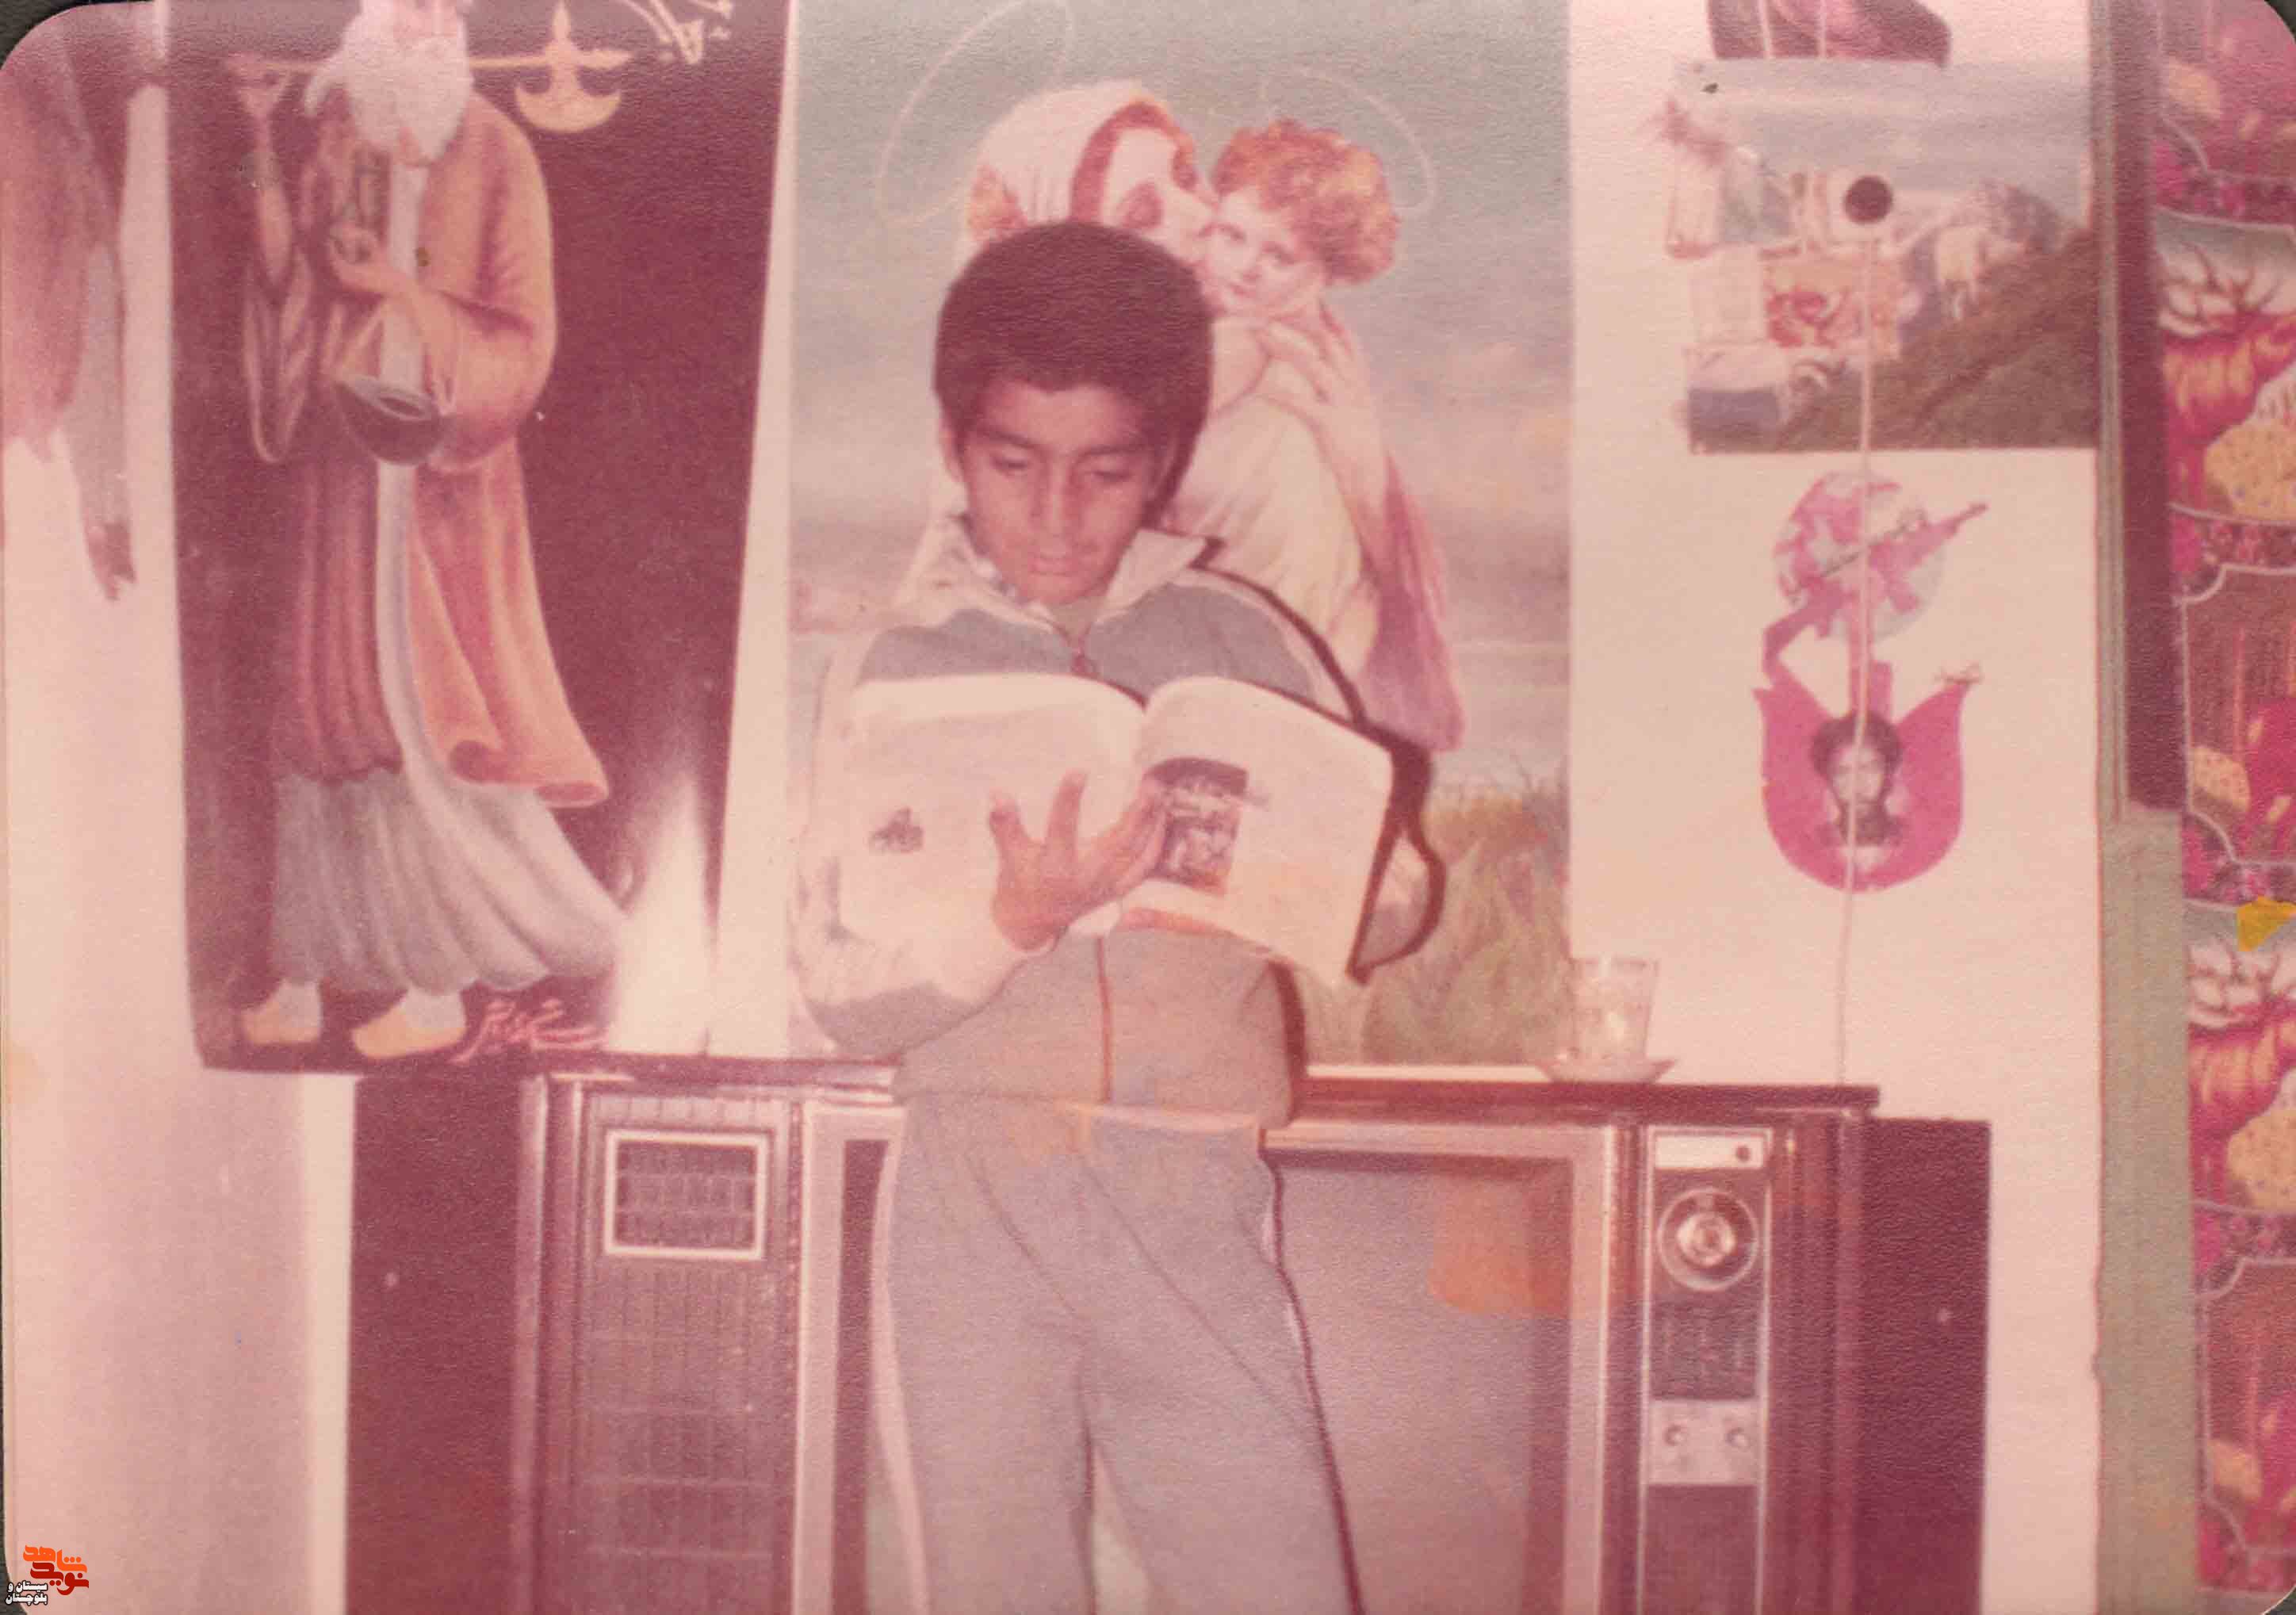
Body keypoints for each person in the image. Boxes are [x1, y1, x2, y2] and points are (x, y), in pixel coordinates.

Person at [794, 221, 1432, 1614]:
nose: (1058, 516)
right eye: (1013, 463)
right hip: (974, 1182)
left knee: (1268, 1578)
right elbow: (835, 991)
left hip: (1187, 1175)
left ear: (1164, 461)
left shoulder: (1247, 636)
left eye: (1106, 471)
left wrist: (1263, 899)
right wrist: (1012, 922)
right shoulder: (889, 662)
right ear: (955, 447)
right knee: (992, 1583)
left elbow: (1395, 900)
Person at [232, 0, 619, 1062]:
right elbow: (285, 282)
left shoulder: (496, 151)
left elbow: (524, 339)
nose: (418, 30)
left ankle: (436, 992)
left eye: (435, 16)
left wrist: (398, 290)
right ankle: (303, 980)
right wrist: (260, 134)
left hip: (439, 478)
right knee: (326, 712)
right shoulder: (338, 133)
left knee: (420, 712)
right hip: (342, 463)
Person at [1172, 117, 1465, 752]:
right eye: (1231, 235)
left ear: (1330, 269)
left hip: (1270, 591)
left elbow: (1136, 439)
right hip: (1313, 606)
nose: (1245, 268)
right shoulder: (1327, 341)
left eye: (1279, 256)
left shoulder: (1248, 341)